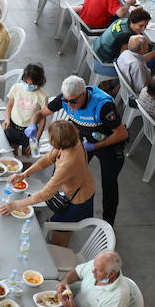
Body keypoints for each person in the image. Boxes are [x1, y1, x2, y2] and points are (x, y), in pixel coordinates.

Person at [38, 76, 129, 224]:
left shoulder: (103, 106)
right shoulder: (66, 98)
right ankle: (61, 202)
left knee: (109, 183)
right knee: (62, 167)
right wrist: (34, 128)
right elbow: (42, 113)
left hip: (107, 143)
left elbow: (122, 133)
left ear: (84, 94)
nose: (69, 104)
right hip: (85, 138)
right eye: (66, 101)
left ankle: (108, 223)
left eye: (73, 101)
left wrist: (95, 146)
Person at [0, 121, 96, 243]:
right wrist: (23, 174)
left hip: (80, 199)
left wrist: (15, 205)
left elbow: (45, 194)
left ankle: (60, 253)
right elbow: (47, 159)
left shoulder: (68, 163)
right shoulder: (73, 142)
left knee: (59, 232)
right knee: (64, 226)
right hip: (81, 187)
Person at [56, 251, 131, 307]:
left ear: (111, 274)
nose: (93, 271)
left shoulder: (119, 296)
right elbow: (77, 272)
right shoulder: (98, 265)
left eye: (98, 270)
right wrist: (65, 281)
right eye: (94, 266)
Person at [3, 62, 48, 154]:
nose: (28, 86)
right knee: (12, 152)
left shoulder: (43, 96)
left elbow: (43, 120)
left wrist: (36, 140)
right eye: (26, 82)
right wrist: (7, 119)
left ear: (39, 82)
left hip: (29, 132)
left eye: (31, 84)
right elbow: (9, 105)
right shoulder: (16, 88)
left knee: (27, 155)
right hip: (12, 126)